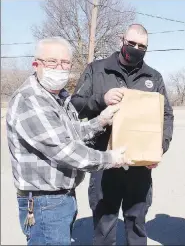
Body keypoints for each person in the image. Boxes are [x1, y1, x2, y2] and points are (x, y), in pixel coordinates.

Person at [6, 37, 130, 246]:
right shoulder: (31, 100)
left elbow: (70, 132)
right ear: (36, 64)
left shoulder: (58, 97)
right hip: (44, 202)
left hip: (60, 199)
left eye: (65, 63)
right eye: (52, 62)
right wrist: (110, 158)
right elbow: (64, 149)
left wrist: (100, 120)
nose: (60, 68)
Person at [71, 24, 174, 245]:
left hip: (139, 165)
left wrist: (160, 147)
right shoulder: (97, 70)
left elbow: (166, 116)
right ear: (122, 40)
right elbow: (75, 105)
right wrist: (101, 99)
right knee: (104, 226)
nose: (136, 48)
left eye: (142, 46)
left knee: (137, 226)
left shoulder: (153, 77)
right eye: (132, 43)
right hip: (104, 163)